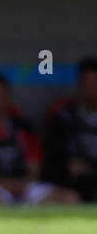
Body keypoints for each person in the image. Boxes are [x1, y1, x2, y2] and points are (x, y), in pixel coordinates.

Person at [0, 73, 78, 205]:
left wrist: (18, 185)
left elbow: (34, 170)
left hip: (23, 185)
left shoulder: (24, 128)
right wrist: (4, 185)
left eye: (1, 95)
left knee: (69, 198)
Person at [45, 56, 97, 201]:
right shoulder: (64, 116)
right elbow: (55, 156)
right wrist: (67, 165)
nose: (92, 88)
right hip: (76, 182)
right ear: (79, 84)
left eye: (96, 82)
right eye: (88, 82)